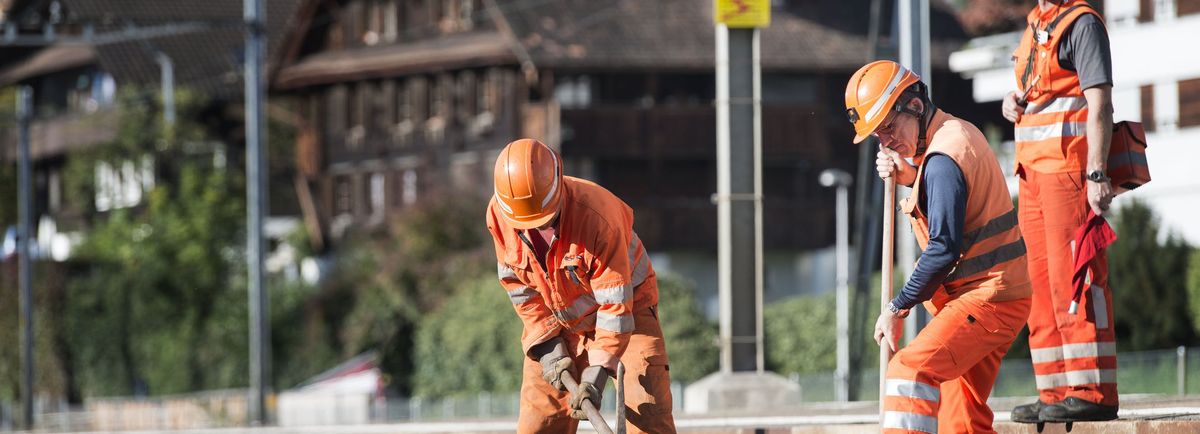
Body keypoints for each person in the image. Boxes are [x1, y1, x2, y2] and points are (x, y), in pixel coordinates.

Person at [846, 60, 1032, 433]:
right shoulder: (952, 136)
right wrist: (911, 176)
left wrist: (896, 309)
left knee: (909, 371)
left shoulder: (944, 158)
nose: (886, 141)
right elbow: (951, 202)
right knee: (960, 420)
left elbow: (943, 249)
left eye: (888, 127)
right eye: (878, 135)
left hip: (988, 299)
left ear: (914, 106)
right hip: (995, 296)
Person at [486, 138, 676, 433]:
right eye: (527, 223)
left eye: (544, 221)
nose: (535, 229)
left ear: (559, 185)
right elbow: (518, 287)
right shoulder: (501, 216)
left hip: (630, 314)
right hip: (557, 325)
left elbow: (615, 306)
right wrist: (548, 345)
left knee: (647, 414)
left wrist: (597, 373)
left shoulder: (599, 217)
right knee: (540, 423)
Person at [1003, 0, 1119, 423]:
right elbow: (1039, 96)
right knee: (1040, 288)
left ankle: (1094, 391)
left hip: (1069, 174)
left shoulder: (1082, 24)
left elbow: (1100, 103)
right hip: (1032, 177)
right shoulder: (1038, 22)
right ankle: (1055, 391)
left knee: (1077, 282)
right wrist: (1010, 105)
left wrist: (1097, 173)